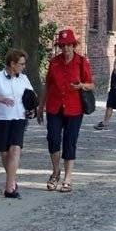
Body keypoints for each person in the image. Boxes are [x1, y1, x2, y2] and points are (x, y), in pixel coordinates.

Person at [40, 28, 93, 193]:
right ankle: (56, 172)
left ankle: (68, 177)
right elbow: (47, 85)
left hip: (74, 108)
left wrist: (81, 86)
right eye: (62, 46)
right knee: (53, 139)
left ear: (73, 45)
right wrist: (41, 106)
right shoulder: (54, 62)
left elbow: (91, 84)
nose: (65, 49)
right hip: (54, 106)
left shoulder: (81, 62)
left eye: (68, 45)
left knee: (70, 141)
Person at [0, 48, 34, 198]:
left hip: (19, 118)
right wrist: (1, 99)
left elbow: (31, 96)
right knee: (5, 153)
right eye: (21, 64)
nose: (23, 66)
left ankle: (9, 188)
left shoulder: (24, 79)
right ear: (12, 64)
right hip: (2, 119)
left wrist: (31, 109)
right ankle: (12, 180)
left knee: (15, 150)